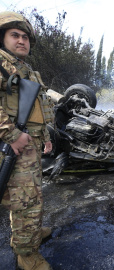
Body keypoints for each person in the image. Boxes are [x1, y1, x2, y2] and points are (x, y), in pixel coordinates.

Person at [0, 11, 54, 270]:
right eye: (14, 35)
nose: (21, 41)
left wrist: (44, 137)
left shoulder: (27, 70)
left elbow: (38, 108)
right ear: (3, 38)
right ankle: (27, 254)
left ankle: (27, 234)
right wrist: (11, 134)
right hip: (12, 143)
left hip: (29, 143)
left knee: (29, 197)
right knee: (25, 200)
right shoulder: (1, 64)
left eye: (25, 37)